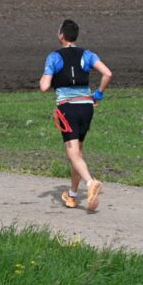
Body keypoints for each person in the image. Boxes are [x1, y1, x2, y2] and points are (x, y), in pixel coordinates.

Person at [39, 19, 113, 211]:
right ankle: (72, 195)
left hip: (67, 109)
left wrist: (50, 74)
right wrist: (98, 94)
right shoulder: (87, 54)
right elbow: (107, 74)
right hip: (86, 107)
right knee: (77, 154)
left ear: (61, 35)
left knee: (72, 153)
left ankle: (90, 183)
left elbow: (44, 86)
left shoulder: (53, 57)